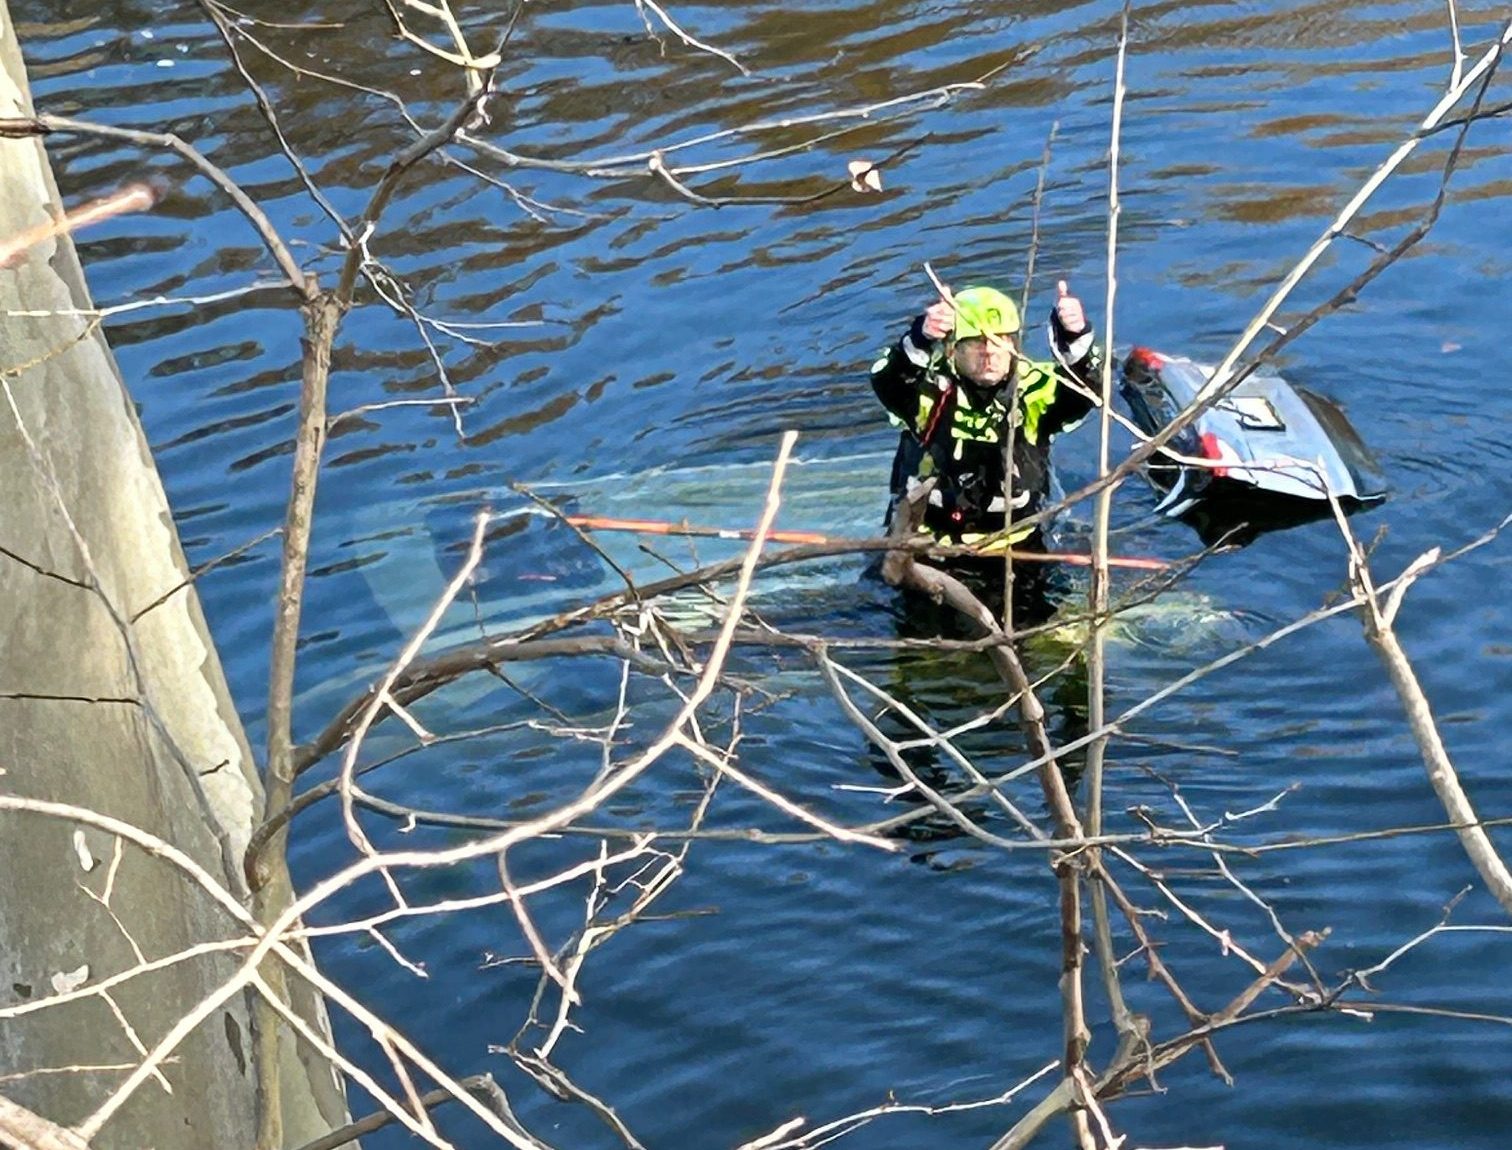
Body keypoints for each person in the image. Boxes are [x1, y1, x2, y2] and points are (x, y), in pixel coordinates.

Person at [868, 280, 1102, 560]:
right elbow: (888, 381)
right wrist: (921, 337)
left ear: (1013, 346)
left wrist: (1075, 340)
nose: (989, 352)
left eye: (999, 340)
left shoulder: (1034, 390)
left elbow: (1084, 394)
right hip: (925, 545)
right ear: (953, 350)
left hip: (1016, 547)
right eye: (976, 343)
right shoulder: (927, 391)